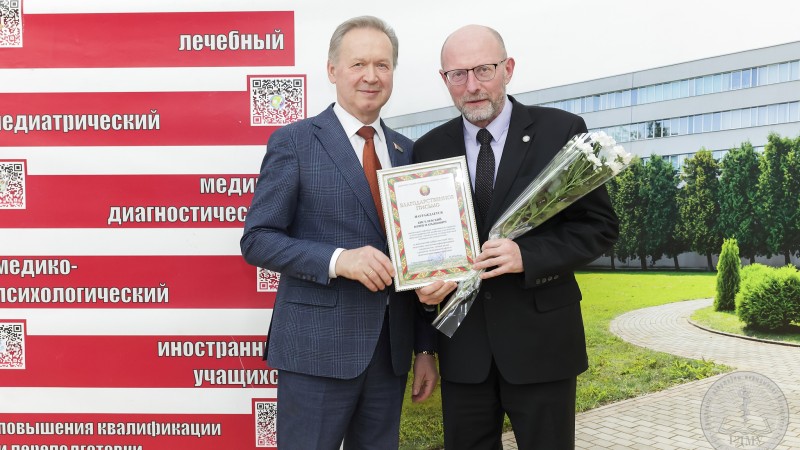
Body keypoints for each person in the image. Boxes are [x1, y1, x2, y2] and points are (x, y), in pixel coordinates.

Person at [413, 25, 619, 449]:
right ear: (444, 79)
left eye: (483, 70)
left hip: (542, 346)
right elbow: (423, 250)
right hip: (463, 351)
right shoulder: (428, 148)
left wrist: (528, 255)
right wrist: (426, 335)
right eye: (458, 74)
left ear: (507, 68)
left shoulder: (562, 131)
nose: (472, 86)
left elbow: (599, 227)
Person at [240, 16, 438, 450]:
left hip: (389, 355)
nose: (371, 76)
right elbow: (257, 239)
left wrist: (425, 348)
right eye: (358, 64)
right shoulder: (294, 142)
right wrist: (338, 260)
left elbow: (418, 257)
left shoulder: (407, 152)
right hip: (316, 352)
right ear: (332, 70)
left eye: (382, 65)